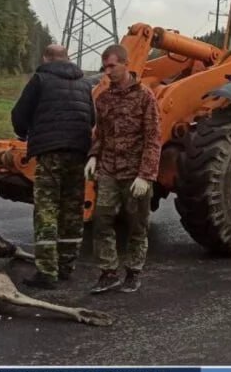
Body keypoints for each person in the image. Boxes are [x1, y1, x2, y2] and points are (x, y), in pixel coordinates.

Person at [11, 44, 95, 290]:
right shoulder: (84, 84)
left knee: (47, 209)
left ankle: (47, 271)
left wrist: (23, 134)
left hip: (50, 152)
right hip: (78, 151)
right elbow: (93, 119)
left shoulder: (41, 79)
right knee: (71, 209)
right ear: (68, 58)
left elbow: (20, 113)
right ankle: (67, 266)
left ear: (46, 57)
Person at [86, 44, 160, 294]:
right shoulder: (104, 99)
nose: (108, 72)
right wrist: (94, 157)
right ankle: (108, 273)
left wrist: (145, 175)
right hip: (109, 169)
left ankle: (133, 272)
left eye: (112, 66)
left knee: (137, 224)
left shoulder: (144, 96)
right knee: (101, 221)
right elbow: (100, 134)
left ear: (126, 64)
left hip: (134, 173)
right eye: (105, 67)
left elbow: (153, 138)